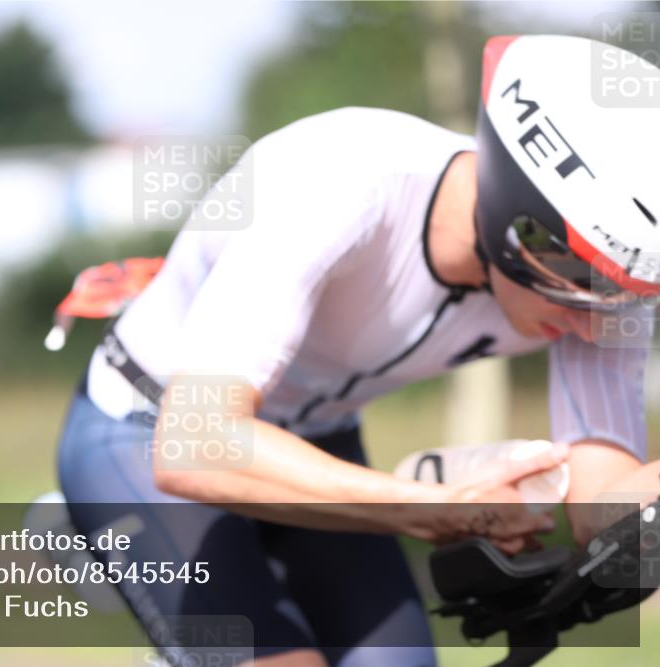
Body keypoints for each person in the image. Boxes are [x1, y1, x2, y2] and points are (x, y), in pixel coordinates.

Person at [55, 35, 659, 667]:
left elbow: (602, 504)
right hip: (147, 425)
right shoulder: (343, 178)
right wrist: (426, 509)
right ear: (521, 221)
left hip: (317, 439)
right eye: (591, 286)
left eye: (635, 297)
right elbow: (194, 444)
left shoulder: (612, 268)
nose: (599, 323)